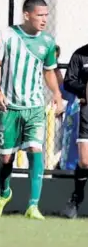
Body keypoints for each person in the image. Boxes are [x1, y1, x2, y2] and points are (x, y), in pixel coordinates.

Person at [0, 0, 63, 220]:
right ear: (26, 14)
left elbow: (49, 71)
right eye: (40, 15)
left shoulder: (48, 43)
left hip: (34, 107)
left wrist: (57, 93)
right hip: (9, 107)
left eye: (46, 15)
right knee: (6, 159)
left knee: (35, 150)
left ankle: (33, 206)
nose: (44, 20)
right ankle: (4, 193)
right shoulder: (7, 35)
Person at [62, 44, 88, 218]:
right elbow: (68, 80)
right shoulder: (80, 54)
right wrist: (84, 89)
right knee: (85, 161)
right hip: (86, 112)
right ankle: (77, 198)